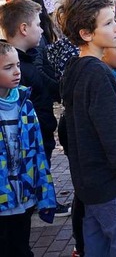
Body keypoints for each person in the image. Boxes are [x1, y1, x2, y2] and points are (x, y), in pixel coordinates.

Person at [58, 0, 116, 257]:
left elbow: (67, 131)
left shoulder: (75, 69)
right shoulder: (99, 74)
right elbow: (113, 134)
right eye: (108, 23)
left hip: (91, 188)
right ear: (87, 34)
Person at [0, 0, 70, 216]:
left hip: (41, 135)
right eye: (38, 24)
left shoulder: (29, 61)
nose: (42, 29)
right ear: (23, 28)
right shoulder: (19, 70)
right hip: (27, 146)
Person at [0, 41, 56, 257]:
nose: (17, 72)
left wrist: (44, 191)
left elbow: (38, 151)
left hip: (24, 194)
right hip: (3, 197)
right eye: (8, 67)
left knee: (22, 247)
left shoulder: (25, 102)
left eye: (17, 65)